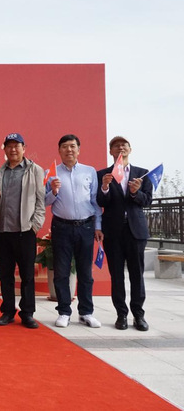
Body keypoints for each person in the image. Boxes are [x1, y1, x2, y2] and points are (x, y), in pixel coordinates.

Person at [46, 134, 103, 328]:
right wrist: (53, 191)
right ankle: (64, 312)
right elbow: (44, 201)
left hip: (85, 226)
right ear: (59, 150)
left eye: (72, 146)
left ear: (78, 149)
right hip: (61, 227)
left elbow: (95, 201)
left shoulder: (89, 171)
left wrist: (98, 226)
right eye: (64, 146)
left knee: (85, 272)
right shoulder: (51, 173)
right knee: (61, 271)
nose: (69, 150)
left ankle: (86, 312)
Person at [97, 136, 152, 331]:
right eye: (116, 146)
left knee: (137, 274)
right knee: (117, 275)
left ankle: (139, 315)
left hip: (135, 231)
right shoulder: (103, 174)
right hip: (113, 231)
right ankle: (121, 314)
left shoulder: (142, 174)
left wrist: (136, 192)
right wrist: (104, 187)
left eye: (124, 145)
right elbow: (100, 202)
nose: (120, 147)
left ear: (130, 149)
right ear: (111, 151)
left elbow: (147, 201)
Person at [0, 133, 45, 329]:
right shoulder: (0, 171)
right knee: (5, 274)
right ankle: (7, 311)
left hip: (25, 231)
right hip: (3, 230)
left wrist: (34, 226)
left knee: (27, 275)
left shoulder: (35, 170)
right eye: (9, 146)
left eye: (17, 146)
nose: (13, 149)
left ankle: (27, 313)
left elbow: (41, 201)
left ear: (24, 148)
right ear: (4, 149)